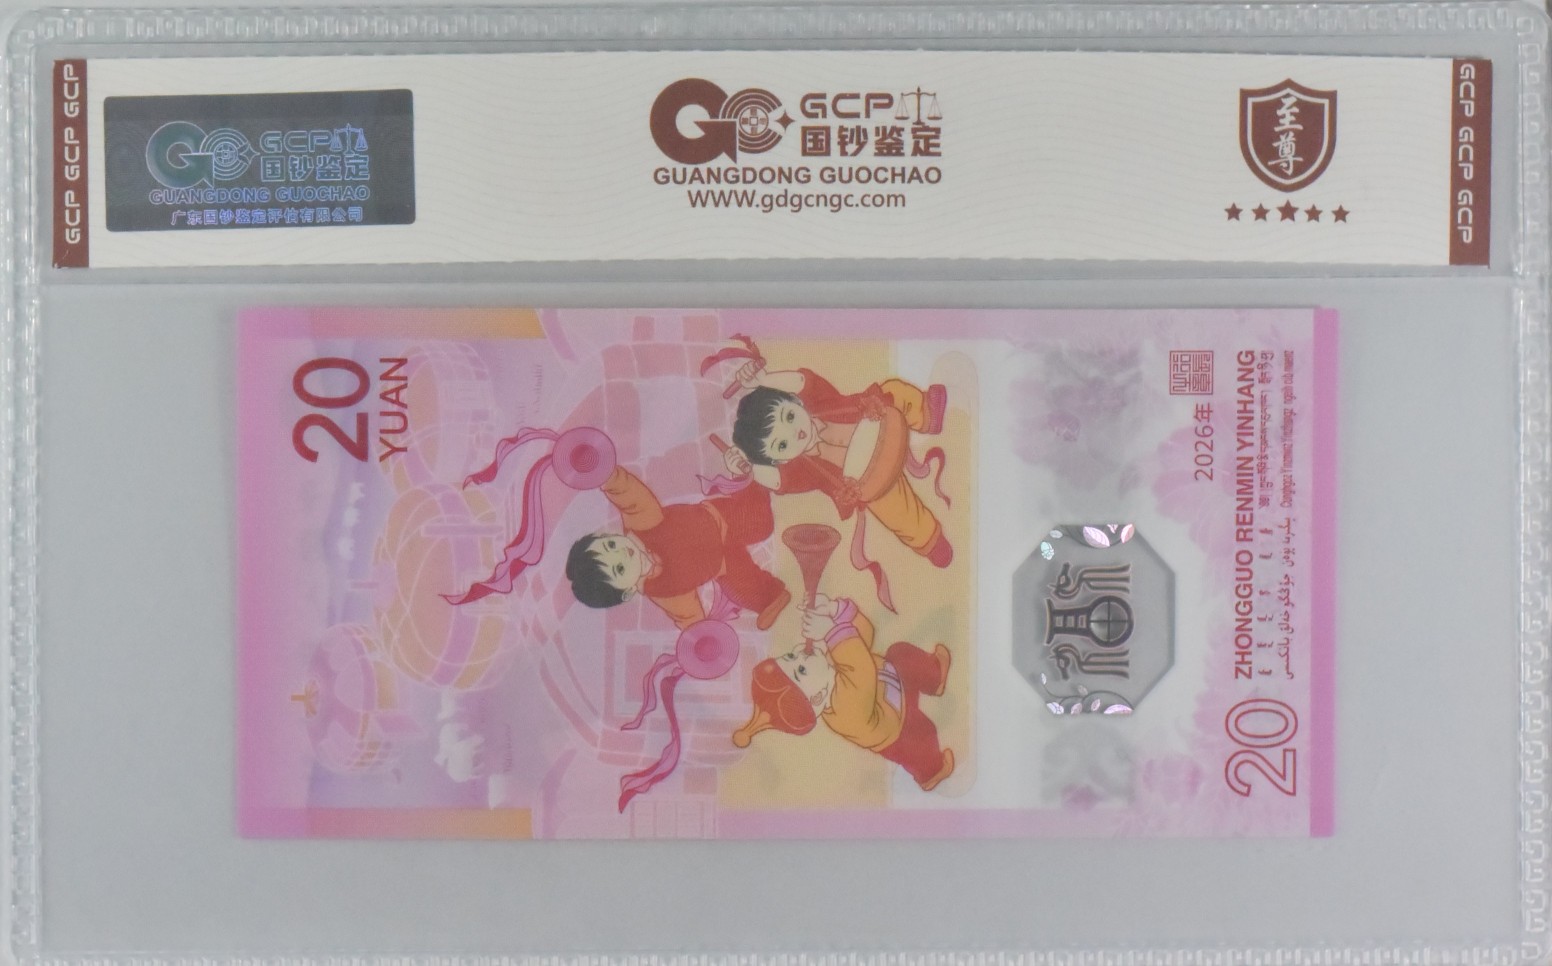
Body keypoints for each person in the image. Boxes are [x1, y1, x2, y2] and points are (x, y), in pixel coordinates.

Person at [727, 364, 952, 568]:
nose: (794, 433)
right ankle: (929, 540)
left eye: (790, 417)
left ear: (796, 401)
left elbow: (802, 382)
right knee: (900, 515)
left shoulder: (819, 400)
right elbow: (778, 480)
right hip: (875, 482)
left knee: (893, 391)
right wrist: (748, 469)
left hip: (884, 419)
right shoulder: (803, 471)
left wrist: (765, 380)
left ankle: (927, 414)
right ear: (781, 460)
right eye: (782, 444)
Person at [731, 593, 956, 791]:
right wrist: (830, 631)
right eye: (801, 670)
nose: (801, 652)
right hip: (899, 728)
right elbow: (861, 668)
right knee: (922, 738)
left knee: (900, 652)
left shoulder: (829, 671)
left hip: (894, 680)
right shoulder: (845, 711)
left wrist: (836, 610)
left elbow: (864, 637)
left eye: (791, 657)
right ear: (817, 698)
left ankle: (935, 676)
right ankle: (932, 773)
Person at [565, 454, 791, 631]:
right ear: (628, 592)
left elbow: (629, 494)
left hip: (721, 520)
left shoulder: (642, 524)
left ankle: (753, 483)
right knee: (740, 590)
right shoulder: (662, 593)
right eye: (620, 568)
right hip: (723, 565)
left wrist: (608, 477)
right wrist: (700, 637)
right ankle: (771, 597)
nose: (623, 552)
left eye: (611, 545)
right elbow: (687, 615)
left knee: (761, 526)